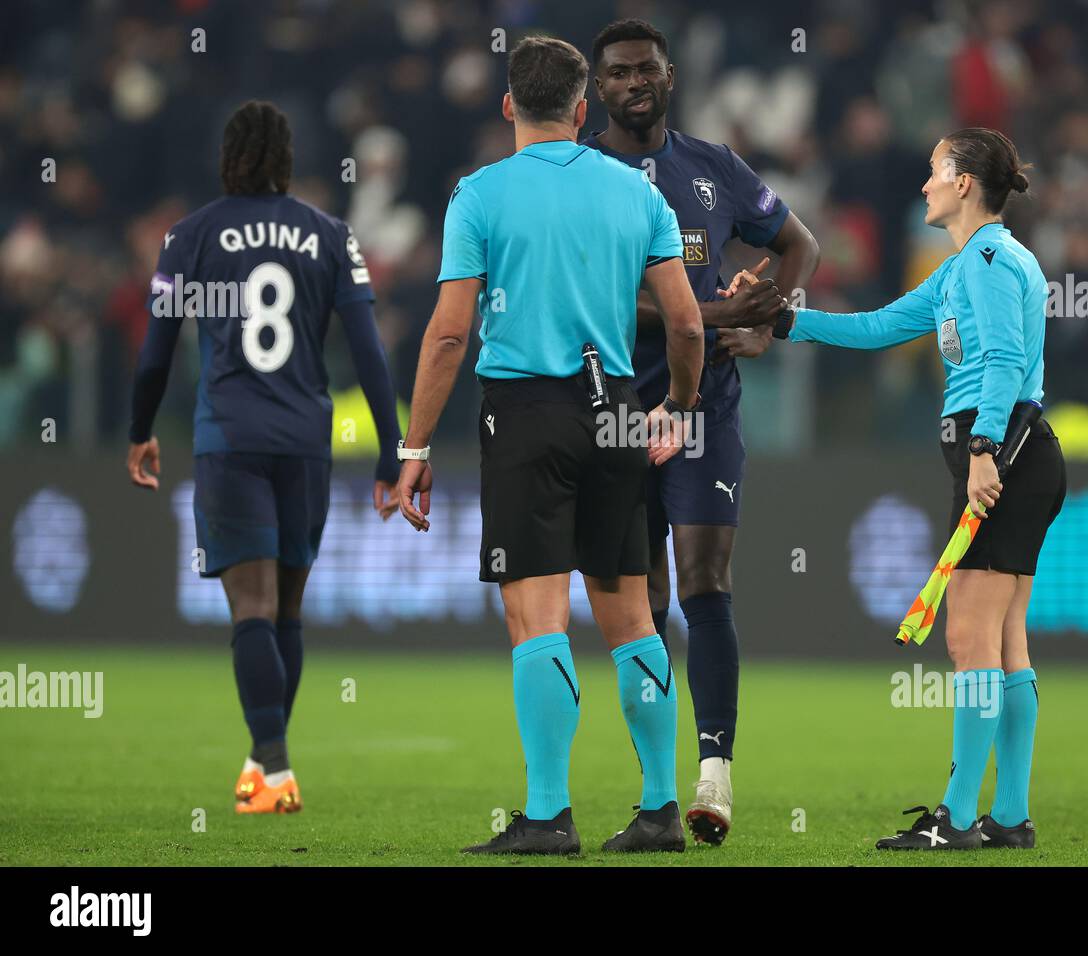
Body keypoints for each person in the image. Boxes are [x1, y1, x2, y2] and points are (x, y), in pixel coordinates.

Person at [394, 36, 704, 855]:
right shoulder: (638, 194)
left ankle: (546, 815)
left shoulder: (479, 195)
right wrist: (674, 407)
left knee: (536, 616)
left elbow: (450, 334)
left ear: (508, 108)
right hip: (617, 413)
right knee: (632, 616)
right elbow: (684, 321)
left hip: (527, 414)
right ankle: (661, 809)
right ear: (582, 108)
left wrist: (414, 445)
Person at [756, 128, 1065, 850]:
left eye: (934, 173)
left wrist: (984, 449)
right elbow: (878, 327)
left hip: (1004, 455)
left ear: (963, 185)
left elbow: (1002, 361)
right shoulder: (968, 265)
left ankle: (957, 819)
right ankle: (1009, 816)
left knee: (969, 638)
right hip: (1018, 456)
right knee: (1005, 638)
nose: (923, 185)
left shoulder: (986, 260)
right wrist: (784, 321)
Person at [126, 100, 403, 814]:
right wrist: (390, 448)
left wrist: (139, 429)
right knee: (286, 613)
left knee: (250, 607)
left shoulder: (188, 235)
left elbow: (156, 353)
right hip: (305, 442)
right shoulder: (331, 234)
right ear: (286, 161)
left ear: (227, 158)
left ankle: (275, 770)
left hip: (232, 439)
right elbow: (368, 351)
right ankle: (264, 761)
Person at [584, 17, 821, 845]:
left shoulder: (712, 166)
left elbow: (798, 243)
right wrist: (719, 312)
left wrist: (772, 322)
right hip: (612, 411)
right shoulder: (585, 173)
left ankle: (712, 776)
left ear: (670, 75)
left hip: (705, 409)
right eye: (617, 73)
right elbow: (610, 304)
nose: (633, 82)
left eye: (646, 68)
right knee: (639, 600)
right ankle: (654, 797)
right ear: (597, 87)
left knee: (705, 584)